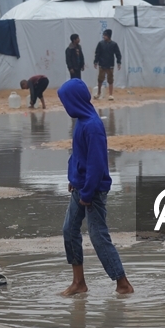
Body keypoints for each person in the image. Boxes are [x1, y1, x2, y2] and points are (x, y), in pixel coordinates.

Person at [56, 79, 133, 296]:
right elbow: (78, 156)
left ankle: (123, 283)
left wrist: (88, 193)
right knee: (69, 230)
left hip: (93, 191)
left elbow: (97, 164)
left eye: (66, 102)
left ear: (75, 101)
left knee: (98, 236)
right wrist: (73, 178)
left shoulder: (92, 126)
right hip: (80, 187)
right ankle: (78, 282)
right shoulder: (81, 121)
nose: (65, 107)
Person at [93, 29, 122, 100]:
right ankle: (98, 93)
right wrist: (95, 62)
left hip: (110, 65)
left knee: (110, 80)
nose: (104, 36)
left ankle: (110, 94)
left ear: (109, 36)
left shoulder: (114, 44)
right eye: (103, 35)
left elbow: (118, 54)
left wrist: (119, 62)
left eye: (105, 35)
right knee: (100, 79)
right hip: (102, 64)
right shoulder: (100, 44)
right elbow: (97, 53)